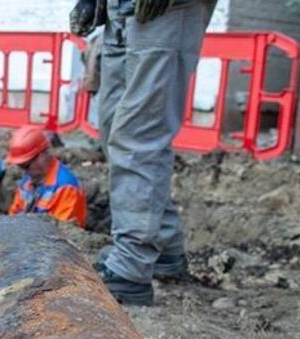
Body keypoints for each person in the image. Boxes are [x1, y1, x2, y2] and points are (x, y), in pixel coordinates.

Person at [71, 0, 216, 306]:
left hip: (169, 8)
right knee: (113, 128)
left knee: (140, 131)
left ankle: (130, 268)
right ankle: (163, 243)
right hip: (119, 11)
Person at [5, 125, 87, 228]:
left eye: (26, 165)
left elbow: (62, 232)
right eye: (20, 166)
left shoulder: (66, 188)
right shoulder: (28, 179)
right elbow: (14, 213)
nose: (24, 170)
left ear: (42, 155)